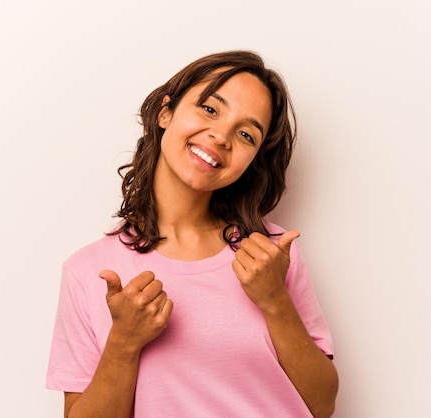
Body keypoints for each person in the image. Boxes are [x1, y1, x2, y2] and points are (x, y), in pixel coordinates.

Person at [46, 50, 339, 418]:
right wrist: (123, 343)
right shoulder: (89, 271)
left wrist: (275, 301)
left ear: (252, 161)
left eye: (246, 134)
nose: (221, 136)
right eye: (211, 109)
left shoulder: (272, 255)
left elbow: (323, 405)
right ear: (165, 112)